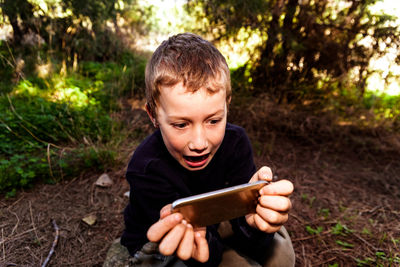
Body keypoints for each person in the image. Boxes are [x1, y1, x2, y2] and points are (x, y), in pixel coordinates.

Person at [120, 33, 295, 267]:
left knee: (281, 258)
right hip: (176, 241)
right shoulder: (146, 168)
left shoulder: (236, 142)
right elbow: (203, 257)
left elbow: (250, 234)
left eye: (213, 120)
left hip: (220, 218)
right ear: (153, 115)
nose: (200, 143)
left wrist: (254, 221)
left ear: (227, 105)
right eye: (181, 125)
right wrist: (205, 241)